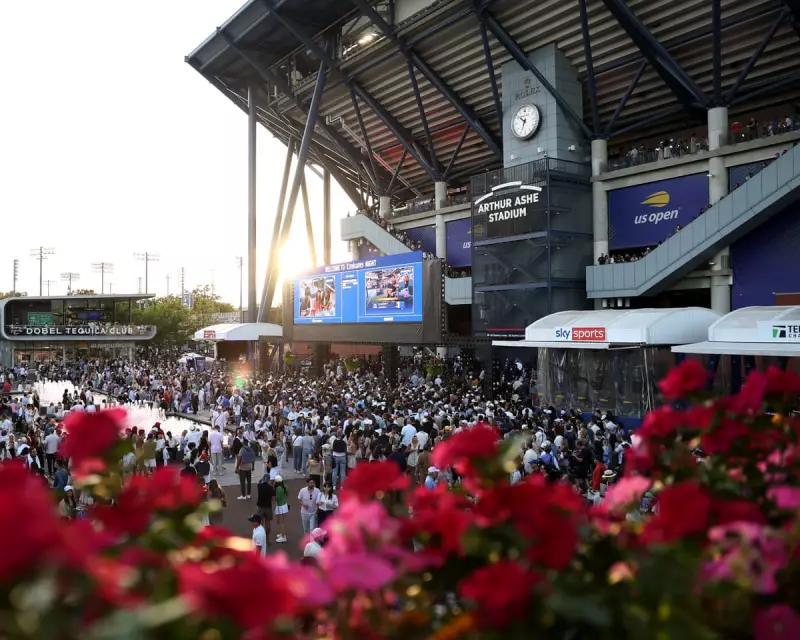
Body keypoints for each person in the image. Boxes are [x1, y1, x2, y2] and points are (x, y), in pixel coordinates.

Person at [256, 472, 276, 545]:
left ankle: (259, 539)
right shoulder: (271, 488)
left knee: (259, 524)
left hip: (260, 507)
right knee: (268, 523)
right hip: (268, 507)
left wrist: (261, 478)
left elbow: (258, 482)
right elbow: (273, 499)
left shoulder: (259, 486)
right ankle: (267, 539)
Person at [273, 475, 289, 544]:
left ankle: (283, 537)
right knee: (281, 521)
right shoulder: (285, 486)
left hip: (280, 506)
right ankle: (282, 533)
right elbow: (287, 494)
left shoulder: (278, 488)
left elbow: (277, 498)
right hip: (284, 504)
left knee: (282, 522)